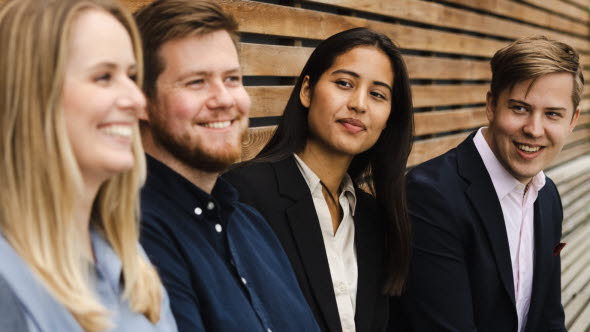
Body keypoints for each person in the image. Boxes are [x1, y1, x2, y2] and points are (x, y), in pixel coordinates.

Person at [133, 1, 320, 331]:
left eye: (232, 79)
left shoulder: (250, 224)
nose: (224, 99)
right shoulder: (134, 233)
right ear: (142, 101)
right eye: (196, 82)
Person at [0, 0, 178, 331]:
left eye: (132, 76)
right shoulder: (9, 282)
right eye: (103, 77)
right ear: (32, 96)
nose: (137, 100)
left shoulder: (128, 260)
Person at [223, 27, 414, 332]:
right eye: (344, 83)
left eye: (378, 94)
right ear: (307, 91)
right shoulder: (245, 193)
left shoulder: (373, 218)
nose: (359, 104)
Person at [395, 35, 581, 332]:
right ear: (492, 106)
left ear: (572, 121)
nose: (534, 129)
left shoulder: (547, 197)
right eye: (519, 108)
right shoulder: (430, 195)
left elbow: (548, 318)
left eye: (552, 114)